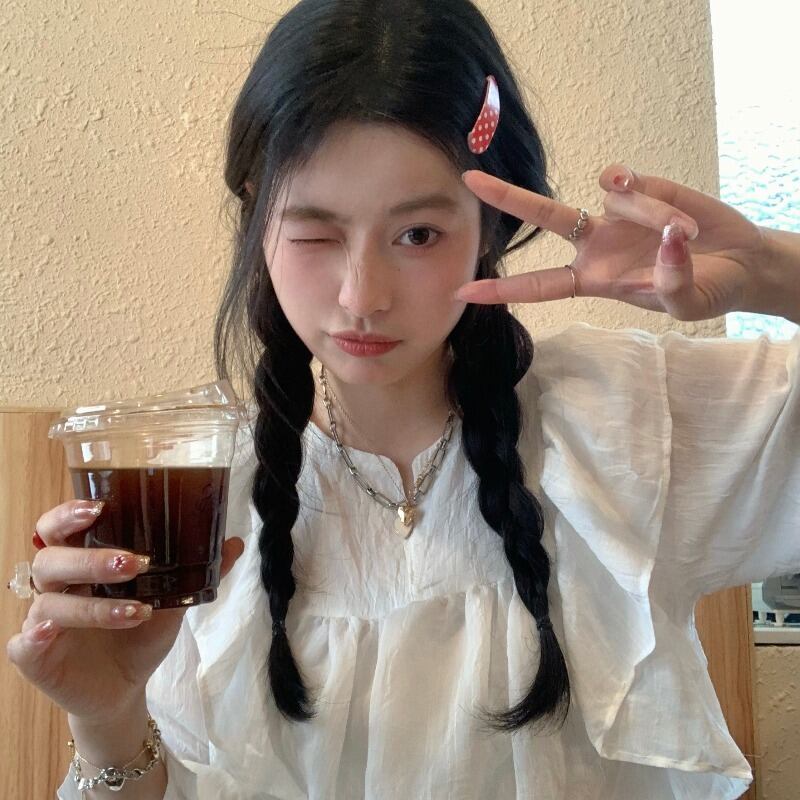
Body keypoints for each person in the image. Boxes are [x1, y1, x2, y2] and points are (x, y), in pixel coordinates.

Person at [6, 0, 800, 798]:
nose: (362, 297)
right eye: (316, 232)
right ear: (256, 213)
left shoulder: (625, 423)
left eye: (417, 234)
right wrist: (108, 718)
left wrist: (767, 270)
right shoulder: (200, 502)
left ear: (491, 225)